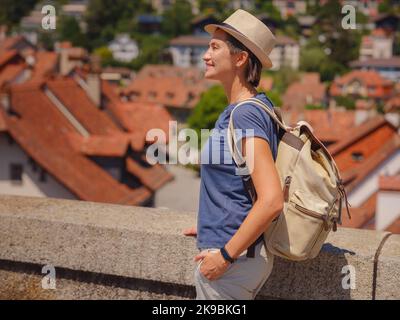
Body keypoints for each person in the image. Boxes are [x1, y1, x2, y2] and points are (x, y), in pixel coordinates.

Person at [183, 9, 284, 300]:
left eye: (215, 47)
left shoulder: (246, 116)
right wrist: (210, 221)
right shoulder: (253, 107)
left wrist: (225, 255)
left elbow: (271, 200)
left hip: (233, 263)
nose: (205, 55)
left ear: (240, 59)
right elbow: (238, 182)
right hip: (236, 253)